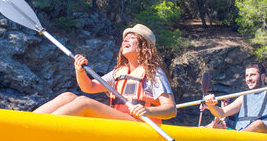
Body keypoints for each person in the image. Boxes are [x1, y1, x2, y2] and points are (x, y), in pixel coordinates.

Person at [34, 24, 176, 124]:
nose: (125, 39)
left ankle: (42, 127)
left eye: (132, 37)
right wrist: (80, 70)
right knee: (68, 96)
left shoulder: (154, 73)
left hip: (138, 124)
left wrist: (147, 111)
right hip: (120, 122)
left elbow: (171, 109)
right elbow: (89, 87)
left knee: (84, 103)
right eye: (125, 38)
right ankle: (27, 122)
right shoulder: (119, 72)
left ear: (144, 46)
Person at [203, 62, 267, 134]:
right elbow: (221, 113)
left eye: (252, 75)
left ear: (262, 77)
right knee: (212, 125)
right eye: (247, 76)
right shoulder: (244, 97)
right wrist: (211, 105)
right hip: (241, 135)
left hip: (266, 136)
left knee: (258, 124)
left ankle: (232, 139)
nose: (249, 79)